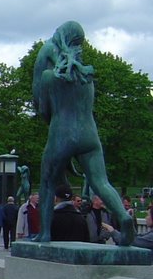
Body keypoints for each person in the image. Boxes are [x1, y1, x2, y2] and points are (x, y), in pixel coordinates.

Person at [32, 21, 135, 245]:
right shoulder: (87, 80)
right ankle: (124, 217)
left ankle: (45, 234)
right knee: (101, 182)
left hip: (63, 133)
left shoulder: (50, 78)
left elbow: (43, 109)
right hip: (90, 134)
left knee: (48, 182)